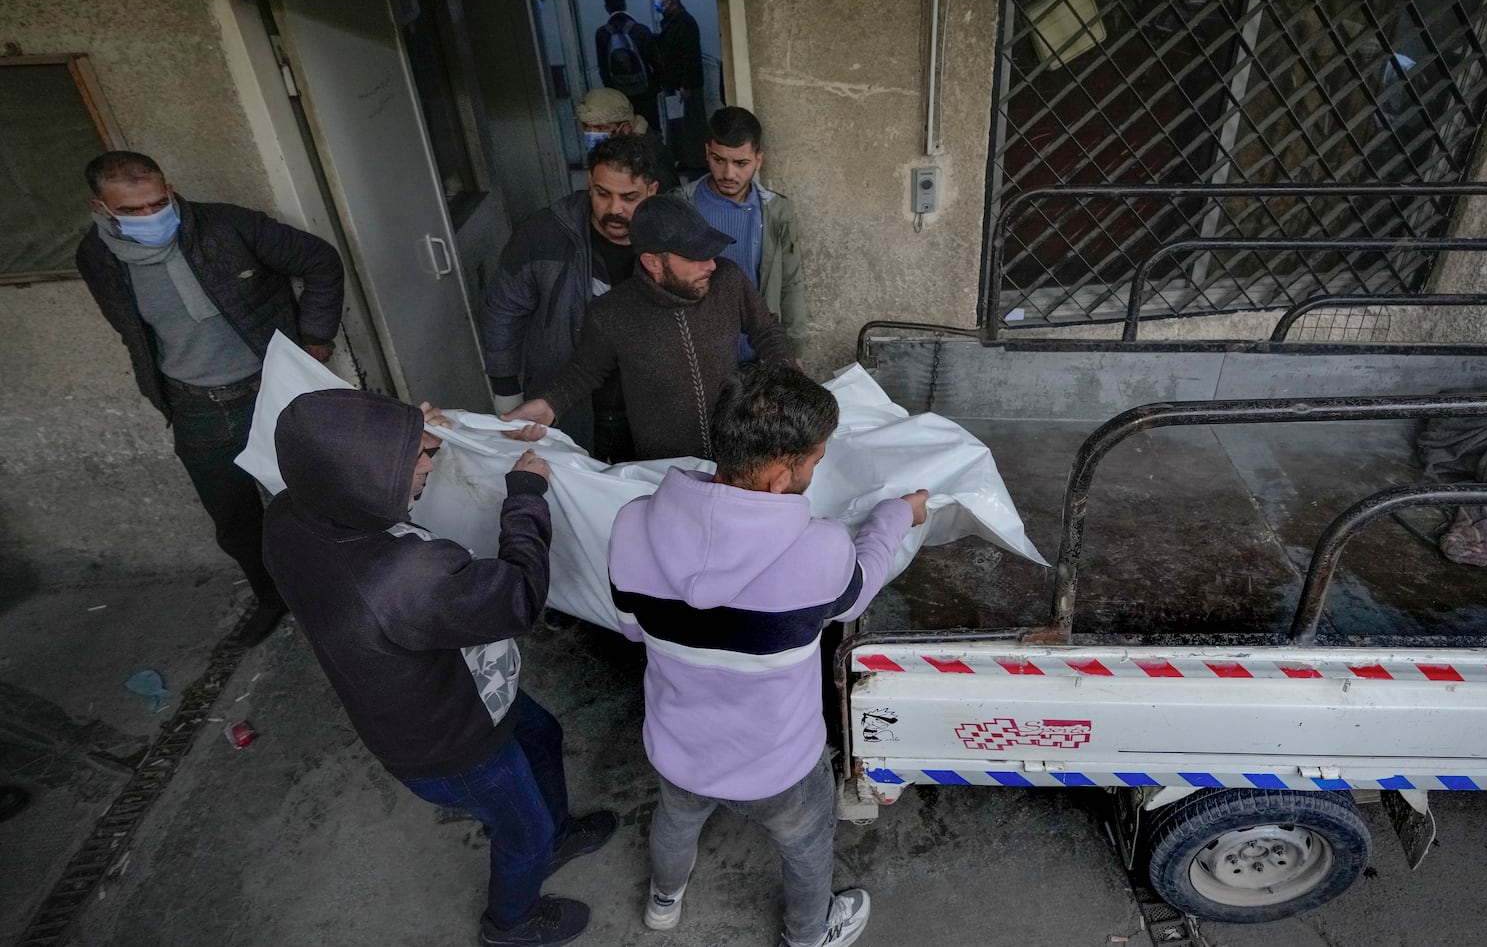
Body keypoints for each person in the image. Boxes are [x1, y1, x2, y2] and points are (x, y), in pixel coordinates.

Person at [263, 389, 615, 947]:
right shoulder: (402, 578)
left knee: (543, 736)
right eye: (414, 459)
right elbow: (519, 598)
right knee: (522, 832)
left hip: (445, 692)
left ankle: (557, 836)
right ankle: (510, 923)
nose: (429, 462)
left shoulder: (290, 515)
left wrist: (403, 434)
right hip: (450, 742)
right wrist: (524, 494)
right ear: (364, 482)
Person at [608, 365, 929, 947]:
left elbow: (633, 631)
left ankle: (663, 903)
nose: (816, 470)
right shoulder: (820, 550)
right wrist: (896, 516)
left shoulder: (631, 525)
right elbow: (859, 587)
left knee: (675, 821)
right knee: (807, 846)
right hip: (777, 763)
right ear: (783, 477)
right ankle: (808, 935)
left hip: (679, 746)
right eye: (816, 461)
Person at [75, 150, 344, 647]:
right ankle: (272, 597)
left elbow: (321, 261)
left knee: (320, 498)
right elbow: (131, 329)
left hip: (273, 388)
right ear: (101, 208)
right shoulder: (96, 258)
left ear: (170, 189)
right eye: (132, 211)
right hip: (196, 406)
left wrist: (316, 339)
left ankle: (349, 591)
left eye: (159, 202)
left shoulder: (227, 227)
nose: (151, 216)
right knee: (235, 519)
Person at [500, 196, 791, 461]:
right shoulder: (611, 313)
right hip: (663, 468)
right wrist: (550, 404)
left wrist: (789, 380)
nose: (711, 265)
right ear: (653, 262)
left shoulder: (728, 281)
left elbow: (766, 331)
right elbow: (585, 372)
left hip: (736, 454)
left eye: (711, 253)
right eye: (694, 257)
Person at [480, 134, 661, 462]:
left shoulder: (669, 238)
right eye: (602, 193)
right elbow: (503, 311)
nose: (614, 209)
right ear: (589, 182)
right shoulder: (542, 234)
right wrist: (506, 393)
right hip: (563, 405)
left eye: (629, 197)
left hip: (645, 411)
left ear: (653, 190)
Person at [678, 106, 808, 358]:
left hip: (759, 354)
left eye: (741, 163)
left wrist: (794, 351)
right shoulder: (682, 205)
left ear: (759, 160)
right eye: (719, 160)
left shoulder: (776, 211)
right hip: (700, 357)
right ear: (707, 152)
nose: (729, 173)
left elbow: (791, 283)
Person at [575, 88, 677, 192]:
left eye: (602, 128)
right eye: (586, 127)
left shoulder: (652, 157)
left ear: (625, 128)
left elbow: (667, 202)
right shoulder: (613, 151)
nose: (592, 133)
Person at [653, 0, 709, 170]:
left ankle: (697, 162)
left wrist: (685, 83)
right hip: (673, 84)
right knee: (677, 124)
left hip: (685, 86)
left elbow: (689, 55)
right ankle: (685, 159)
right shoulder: (670, 22)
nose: (658, 1)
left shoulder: (685, 22)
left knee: (691, 125)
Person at [592, 0, 660, 132]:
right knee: (651, 130)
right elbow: (656, 63)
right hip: (645, 93)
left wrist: (613, 93)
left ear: (606, 7)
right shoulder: (641, 30)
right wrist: (655, 88)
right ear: (625, 4)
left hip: (620, 95)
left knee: (626, 133)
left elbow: (603, 69)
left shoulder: (602, 34)